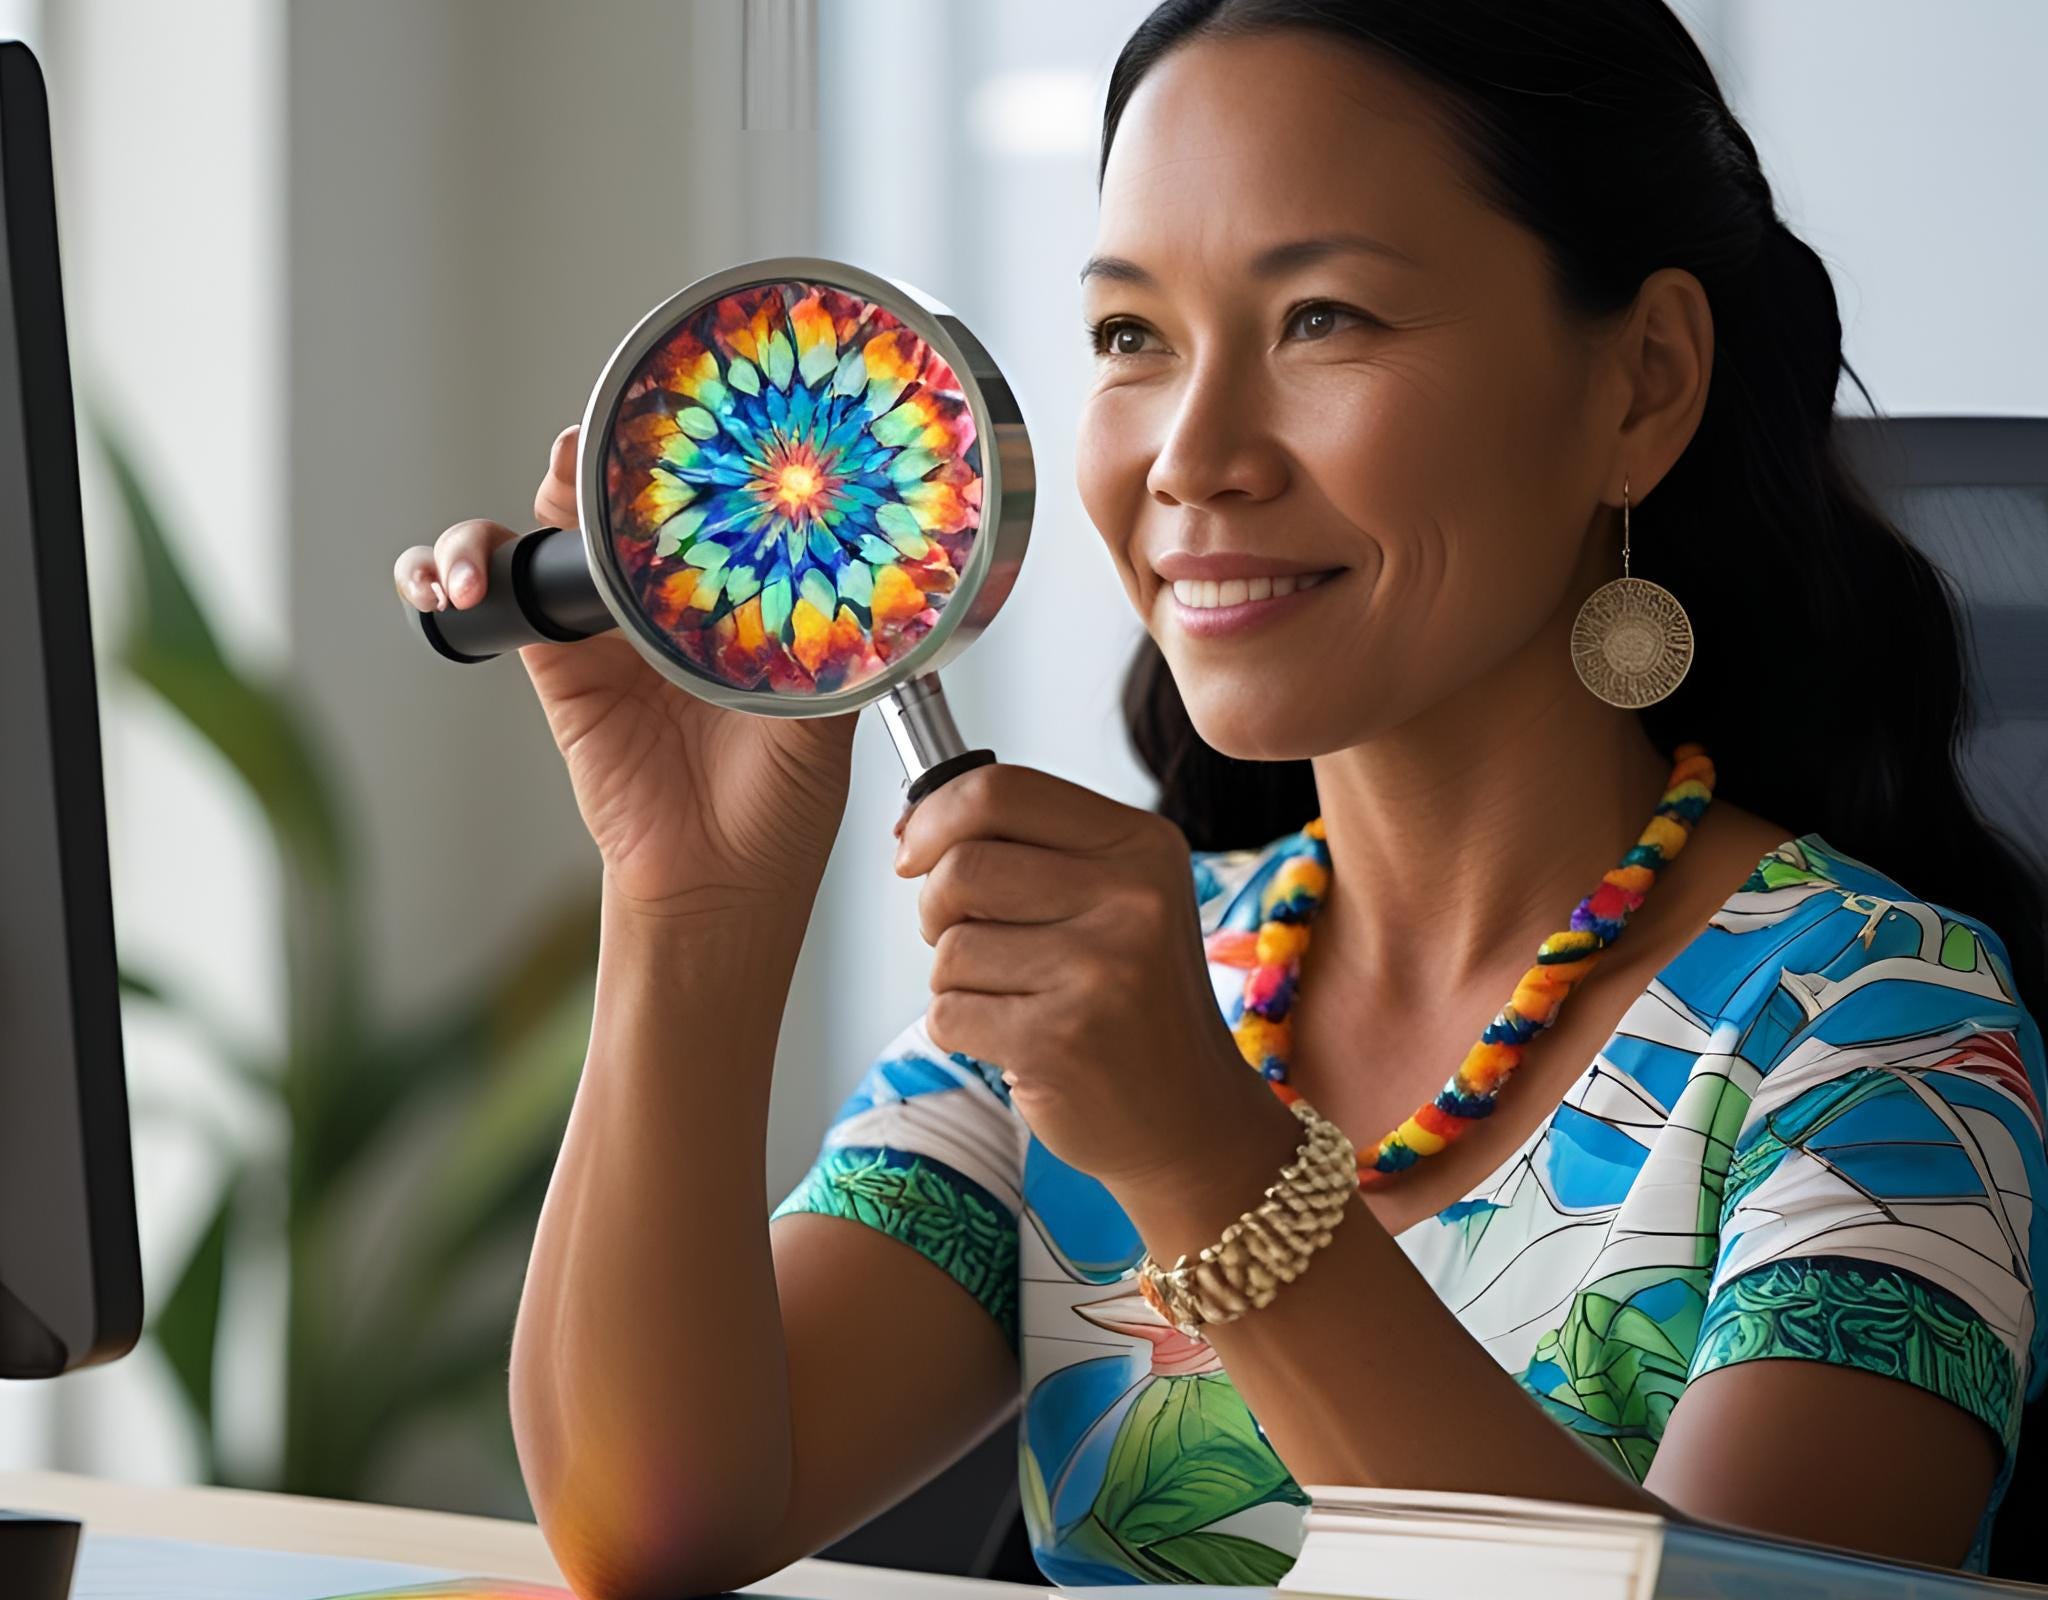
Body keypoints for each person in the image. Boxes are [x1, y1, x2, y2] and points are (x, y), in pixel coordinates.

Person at [392, 2, 2048, 1593]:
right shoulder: (1112, 998)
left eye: (1325, 318)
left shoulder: (1884, 1029)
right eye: (1131, 336)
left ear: (1644, 384)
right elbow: (650, 1522)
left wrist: (1206, 1156)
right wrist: (690, 901)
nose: (1194, 450)